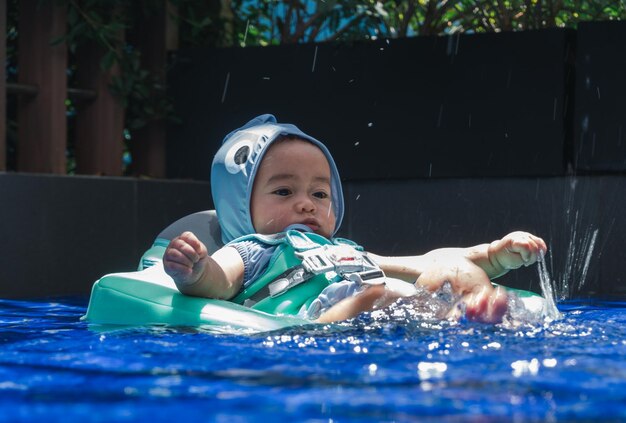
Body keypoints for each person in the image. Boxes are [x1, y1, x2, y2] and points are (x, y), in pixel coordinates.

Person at [163, 114, 547, 324]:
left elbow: (425, 261)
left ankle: (469, 312)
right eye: (284, 192)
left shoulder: (343, 250)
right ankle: (464, 317)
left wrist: (495, 255)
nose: (306, 205)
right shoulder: (253, 248)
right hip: (318, 322)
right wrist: (195, 270)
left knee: (446, 273)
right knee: (382, 295)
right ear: (239, 209)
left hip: (374, 309)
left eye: (319, 193)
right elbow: (219, 280)